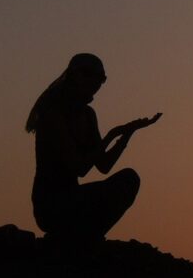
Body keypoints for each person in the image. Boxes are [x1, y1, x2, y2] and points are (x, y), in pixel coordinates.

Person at [25, 53, 161, 243]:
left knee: (129, 180)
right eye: (90, 75)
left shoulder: (88, 115)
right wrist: (112, 135)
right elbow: (80, 168)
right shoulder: (53, 115)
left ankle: (88, 238)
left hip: (74, 199)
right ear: (74, 75)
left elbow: (103, 165)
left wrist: (128, 133)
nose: (96, 83)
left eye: (101, 79)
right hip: (52, 206)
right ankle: (80, 241)